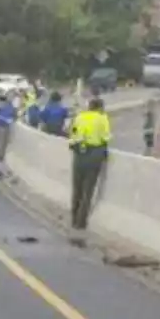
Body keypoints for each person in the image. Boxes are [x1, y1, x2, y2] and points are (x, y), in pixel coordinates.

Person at [69, 97, 112, 238]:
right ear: (100, 107)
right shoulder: (102, 118)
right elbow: (106, 137)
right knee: (88, 191)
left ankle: (73, 218)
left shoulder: (80, 117)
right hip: (95, 154)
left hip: (79, 154)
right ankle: (81, 222)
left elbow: (73, 135)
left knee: (77, 188)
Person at [0, 92, 17, 159]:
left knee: (4, 142)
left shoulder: (13, 106)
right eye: (10, 96)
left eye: (12, 97)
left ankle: (1, 156)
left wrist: (11, 120)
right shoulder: (2, 103)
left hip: (7, 126)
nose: (11, 98)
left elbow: (15, 116)